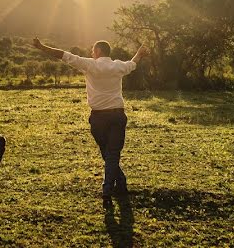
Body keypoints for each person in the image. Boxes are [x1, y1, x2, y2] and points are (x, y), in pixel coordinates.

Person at [33, 38, 148, 201]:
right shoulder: (118, 66)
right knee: (111, 154)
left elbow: (64, 55)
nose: (91, 52)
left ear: (99, 51)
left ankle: (107, 190)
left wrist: (41, 47)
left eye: (93, 50)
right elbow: (133, 63)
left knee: (109, 153)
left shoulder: (89, 65)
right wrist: (140, 53)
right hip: (117, 115)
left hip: (98, 117)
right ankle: (120, 183)